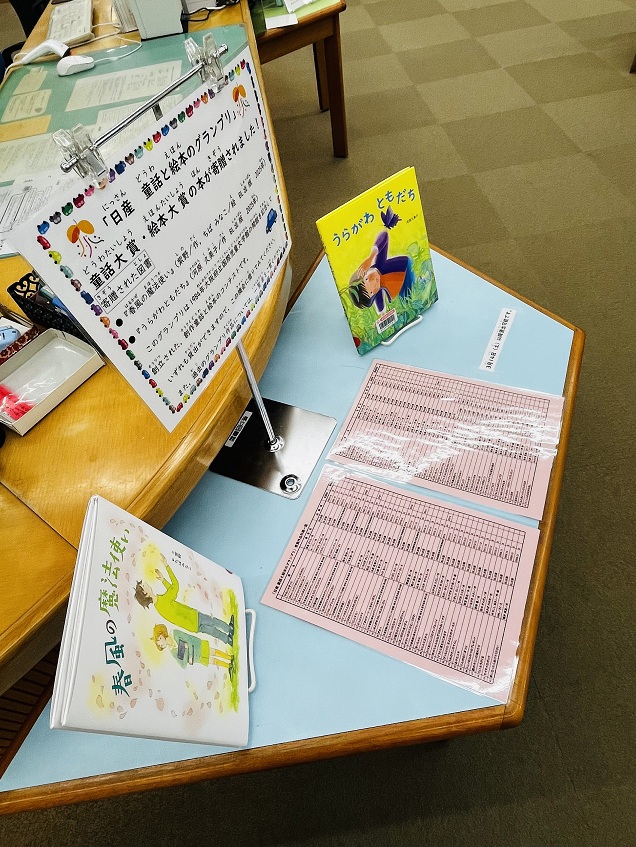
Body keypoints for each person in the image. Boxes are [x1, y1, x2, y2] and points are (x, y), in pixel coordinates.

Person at [135, 564, 234, 647]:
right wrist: (166, 566)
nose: (145, 584)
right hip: (193, 617)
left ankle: (227, 639)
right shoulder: (162, 601)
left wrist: (163, 580)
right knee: (213, 622)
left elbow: (171, 594)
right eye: (143, 586)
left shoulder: (159, 605)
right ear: (146, 594)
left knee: (211, 630)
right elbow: (175, 586)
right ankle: (229, 629)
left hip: (191, 625)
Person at [348, 230, 414, 314]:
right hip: (402, 292)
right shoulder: (377, 291)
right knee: (408, 306)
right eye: (371, 292)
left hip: (408, 270)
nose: (374, 283)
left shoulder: (379, 264)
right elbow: (381, 308)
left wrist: (370, 257)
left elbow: (384, 235)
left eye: (367, 279)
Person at [152, 623, 234, 676]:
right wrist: (184, 649)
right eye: (158, 645)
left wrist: (189, 655)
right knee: (214, 661)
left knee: (213, 652)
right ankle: (228, 666)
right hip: (197, 658)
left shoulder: (175, 633)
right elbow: (183, 665)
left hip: (197, 646)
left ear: (162, 634)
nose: (160, 644)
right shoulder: (172, 651)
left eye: (159, 640)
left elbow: (188, 640)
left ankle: (229, 657)